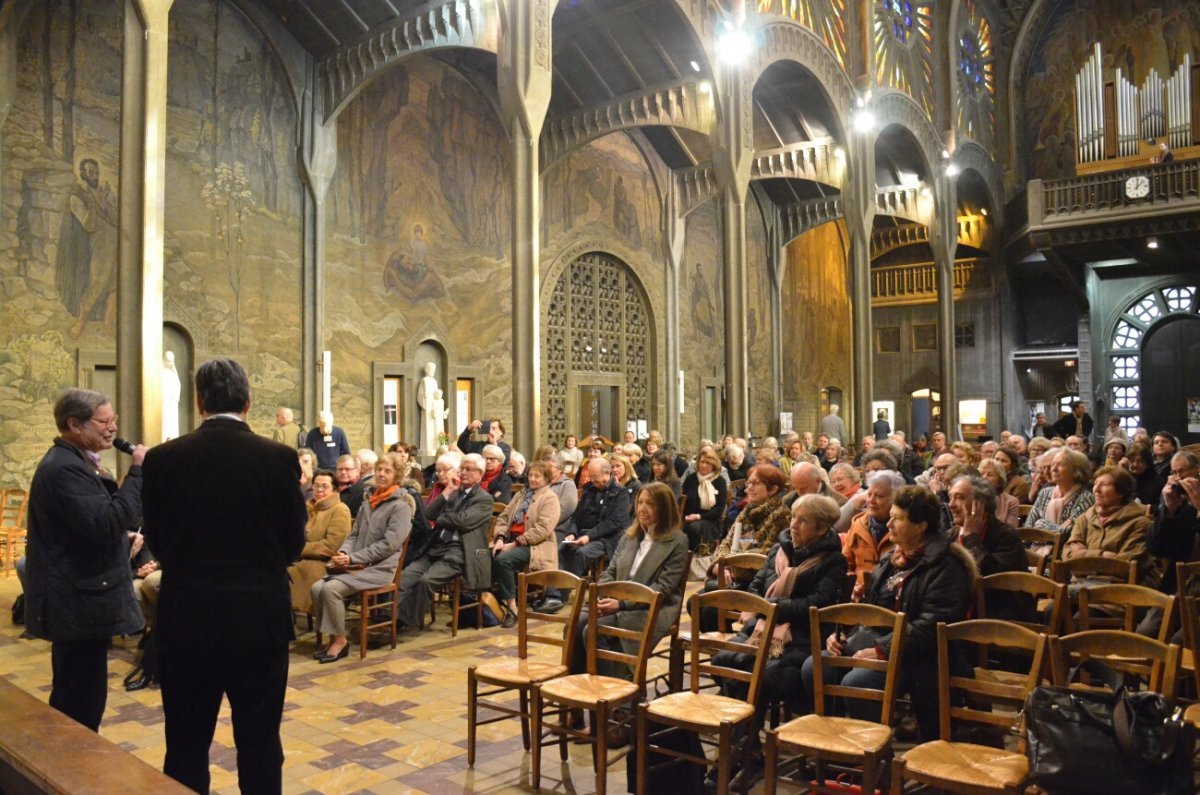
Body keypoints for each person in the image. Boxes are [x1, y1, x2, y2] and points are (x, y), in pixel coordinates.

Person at [142, 358, 306, 793]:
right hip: (258, 618)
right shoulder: (279, 458)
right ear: (249, 401)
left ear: (198, 403)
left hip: (187, 618)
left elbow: (155, 540)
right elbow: (293, 544)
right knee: (259, 740)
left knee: (185, 742)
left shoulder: (162, 460)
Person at [805, 486, 977, 743]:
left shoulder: (947, 566)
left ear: (920, 526)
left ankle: (873, 751)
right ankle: (837, 743)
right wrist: (841, 634)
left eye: (898, 518)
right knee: (815, 667)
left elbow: (930, 627)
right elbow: (870, 611)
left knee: (857, 681)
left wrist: (882, 650)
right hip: (882, 642)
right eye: (891, 516)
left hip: (925, 657)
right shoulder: (892, 558)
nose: (890, 522)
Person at [24, 388, 147, 731]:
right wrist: (137, 472)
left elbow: (86, 525)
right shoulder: (65, 468)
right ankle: (71, 766)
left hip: (81, 597)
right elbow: (108, 521)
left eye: (114, 421)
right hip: (77, 602)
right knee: (79, 699)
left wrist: (121, 536)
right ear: (74, 425)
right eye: (104, 421)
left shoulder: (75, 462)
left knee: (82, 692)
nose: (112, 428)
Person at [706, 494, 849, 789]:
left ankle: (741, 753)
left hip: (801, 638)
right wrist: (765, 607)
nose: (793, 525)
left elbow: (817, 605)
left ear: (822, 528)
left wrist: (772, 608)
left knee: (763, 675)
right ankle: (748, 749)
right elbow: (757, 587)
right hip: (761, 629)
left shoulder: (833, 560)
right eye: (793, 517)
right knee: (723, 661)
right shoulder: (778, 550)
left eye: (803, 520)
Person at [568, 482, 688, 678]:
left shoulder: (677, 540)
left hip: (652, 607)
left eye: (650, 503)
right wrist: (603, 595)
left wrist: (621, 605)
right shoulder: (629, 537)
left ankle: (613, 694)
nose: (642, 508)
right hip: (617, 600)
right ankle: (578, 688)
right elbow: (611, 571)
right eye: (640, 502)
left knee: (594, 631)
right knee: (576, 622)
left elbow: (663, 587)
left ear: (664, 508)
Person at [310, 453, 413, 661]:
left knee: (331, 588)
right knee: (316, 587)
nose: (381, 474)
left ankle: (339, 641)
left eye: (387, 471)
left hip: (380, 569)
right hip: (358, 565)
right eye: (379, 470)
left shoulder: (401, 506)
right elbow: (354, 535)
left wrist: (352, 559)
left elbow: (388, 545)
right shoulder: (369, 501)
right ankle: (334, 637)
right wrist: (344, 552)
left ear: (397, 476)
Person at [398, 453, 493, 630]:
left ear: (480, 474)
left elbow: (463, 521)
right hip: (436, 547)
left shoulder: (484, 499)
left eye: (468, 469)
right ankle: (388, 617)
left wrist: (443, 517)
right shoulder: (454, 493)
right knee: (405, 577)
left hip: (458, 551)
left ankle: (402, 622)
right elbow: (428, 514)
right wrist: (447, 492)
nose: (463, 472)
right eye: (462, 468)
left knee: (426, 581)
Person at [696, 465, 790, 631]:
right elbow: (725, 544)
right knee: (694, 604)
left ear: (773, 489)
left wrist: (730, 566)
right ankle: (720, 649)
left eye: (756, 483)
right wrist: (719, 564)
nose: (749, 488)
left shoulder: (781, 515)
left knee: (710, 610)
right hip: (734, 577)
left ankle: (728, 650)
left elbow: (766, 553)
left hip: (756, 583)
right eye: (748, 483)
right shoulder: (746, 511)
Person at [946, 473, 1030, 619]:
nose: (951, 505)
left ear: (980, 504)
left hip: (999, 618)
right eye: (950, 497)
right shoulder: (949, 535)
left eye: (959, 497)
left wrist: (972, 538)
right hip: (956, 612)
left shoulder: (1006, 535)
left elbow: (989, 578)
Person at [490, 460, 561, 627]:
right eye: (531, 475)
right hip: (508, 540)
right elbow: (504, 517)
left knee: (503, 560)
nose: (533, 479)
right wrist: (499, 538)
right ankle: (491, 604)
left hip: (534, 545)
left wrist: (515, 544)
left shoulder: (550, 498)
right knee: (480, 554)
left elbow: (542, 529)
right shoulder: (521, 494)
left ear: (547, 478)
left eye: (538, 476)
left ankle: (512, 608)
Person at [1062, 466, 1154, 587]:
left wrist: (1083, 554)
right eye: (1095, 483)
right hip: (1081, 584)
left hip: (1118, 590)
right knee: (1054, 604)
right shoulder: (1085, 518)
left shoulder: (1140, 522)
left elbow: (1126, 567)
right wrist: (1105, 556)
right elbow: (1068, 558)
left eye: (1104, 484)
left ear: (1121, 492)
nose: (1096, 489)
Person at [287, 470, 352, 614]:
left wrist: (299, 548)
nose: (320, 489)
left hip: (323, 563)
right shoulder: (308, 507)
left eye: (324, 486)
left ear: (334, 490)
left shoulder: (340, 510)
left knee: (285, 577)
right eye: (316, 486)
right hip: (299, 558)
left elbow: (331, 545)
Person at [842, 471, 904, 592]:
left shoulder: (904, 528)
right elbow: (845, 564)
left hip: (890, 595)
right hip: (857, 596)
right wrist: (851, 586)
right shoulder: (857, 524)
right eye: (869, 494)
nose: (871, 500)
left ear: (895, 499)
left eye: (879, 496)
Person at [1025, 448, 1094, 533]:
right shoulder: (1045, 493)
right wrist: (1058, 528)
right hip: (1035, 545)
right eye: (1053, 464)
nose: (1053, 469)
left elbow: (1072, 533)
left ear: (1076, 471)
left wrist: (1040, 524)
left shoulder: (1085, 497)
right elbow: (1028, 527)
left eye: (1061, 465)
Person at [680, 448, 727, 551]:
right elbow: (682, 501)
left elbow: (719, 509)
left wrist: (698, 516)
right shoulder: (691, 479)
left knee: (694, 527)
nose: (704, 465)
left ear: (714, 465)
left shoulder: (720, 482)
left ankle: (693, 555)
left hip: (709, 520)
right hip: (688, 517)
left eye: (708, 463)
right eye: (701, 462)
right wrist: (684, 517)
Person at [978, 459, 1021, 526]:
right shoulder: (970, 498)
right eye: (981, 473)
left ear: (999, 480)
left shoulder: (1011, 502)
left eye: (990, 475)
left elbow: (1011, 531)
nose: (984, 477)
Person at [335, 454, 367, 519]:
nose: (343, 472)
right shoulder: (333, 487)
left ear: (357, 471)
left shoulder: (363, 492)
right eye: (340, 469)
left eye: (347, 469)